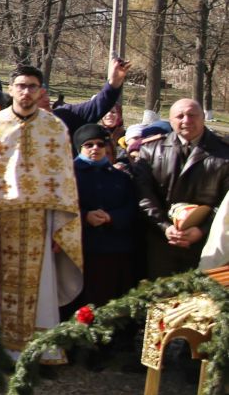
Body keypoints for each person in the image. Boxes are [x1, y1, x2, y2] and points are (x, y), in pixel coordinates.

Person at [0, 66, 84, 358]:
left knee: (42, 285)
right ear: (11, 88)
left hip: (41, 219)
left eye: (32, 86)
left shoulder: (55, 127)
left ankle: (38, 353)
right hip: (0, 217)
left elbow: (65, 180)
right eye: (21, 85)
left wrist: (61, 227)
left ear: (40, 91)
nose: (26, 92)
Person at [131, 97, 229, 277]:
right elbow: (143, 194)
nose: (186, 120)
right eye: (180, 116)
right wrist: (165, 227)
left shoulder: (224, 152)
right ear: (170, 120)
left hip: (206, 244)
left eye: (192, 115)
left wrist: (201, 230)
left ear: (203, 118)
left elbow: (226, 203)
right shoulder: (151, 149)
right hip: (160, 242)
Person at [72, 124, 139, 308]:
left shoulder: (120, 177)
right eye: (89, 145)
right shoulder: (69, 175)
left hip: (114, 250)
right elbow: (63, 207)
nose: (95, 148)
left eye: (100, 144)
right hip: (81, 250)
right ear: (80, 148)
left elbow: (131, 208)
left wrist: (111, 218)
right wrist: (85, 216)